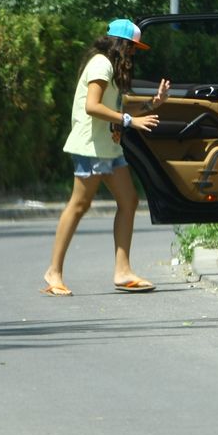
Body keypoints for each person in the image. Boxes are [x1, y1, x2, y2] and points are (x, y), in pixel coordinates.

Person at [42, 18, 171, 296]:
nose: (134, 54)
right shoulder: (101, 64)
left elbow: (115, 110)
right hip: (90, 147)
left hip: (108, 147)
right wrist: (129, 121)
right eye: (133, 48)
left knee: (129, 200)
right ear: (121, 45)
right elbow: (92, 107)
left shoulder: (111, 69)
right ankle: (54, 272)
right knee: (79, 205)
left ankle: (123, 272)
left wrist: (153, 104)